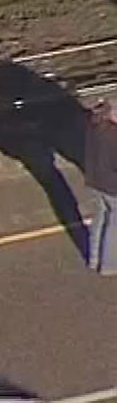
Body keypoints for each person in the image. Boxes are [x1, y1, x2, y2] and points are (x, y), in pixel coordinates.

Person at [87, 99, 117, 276]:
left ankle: (94, 259)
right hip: (113, 186)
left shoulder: (96, 126)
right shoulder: (114, 136)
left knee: (100, 219)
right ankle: (110, 265)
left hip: (95, 180)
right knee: (114, 226)